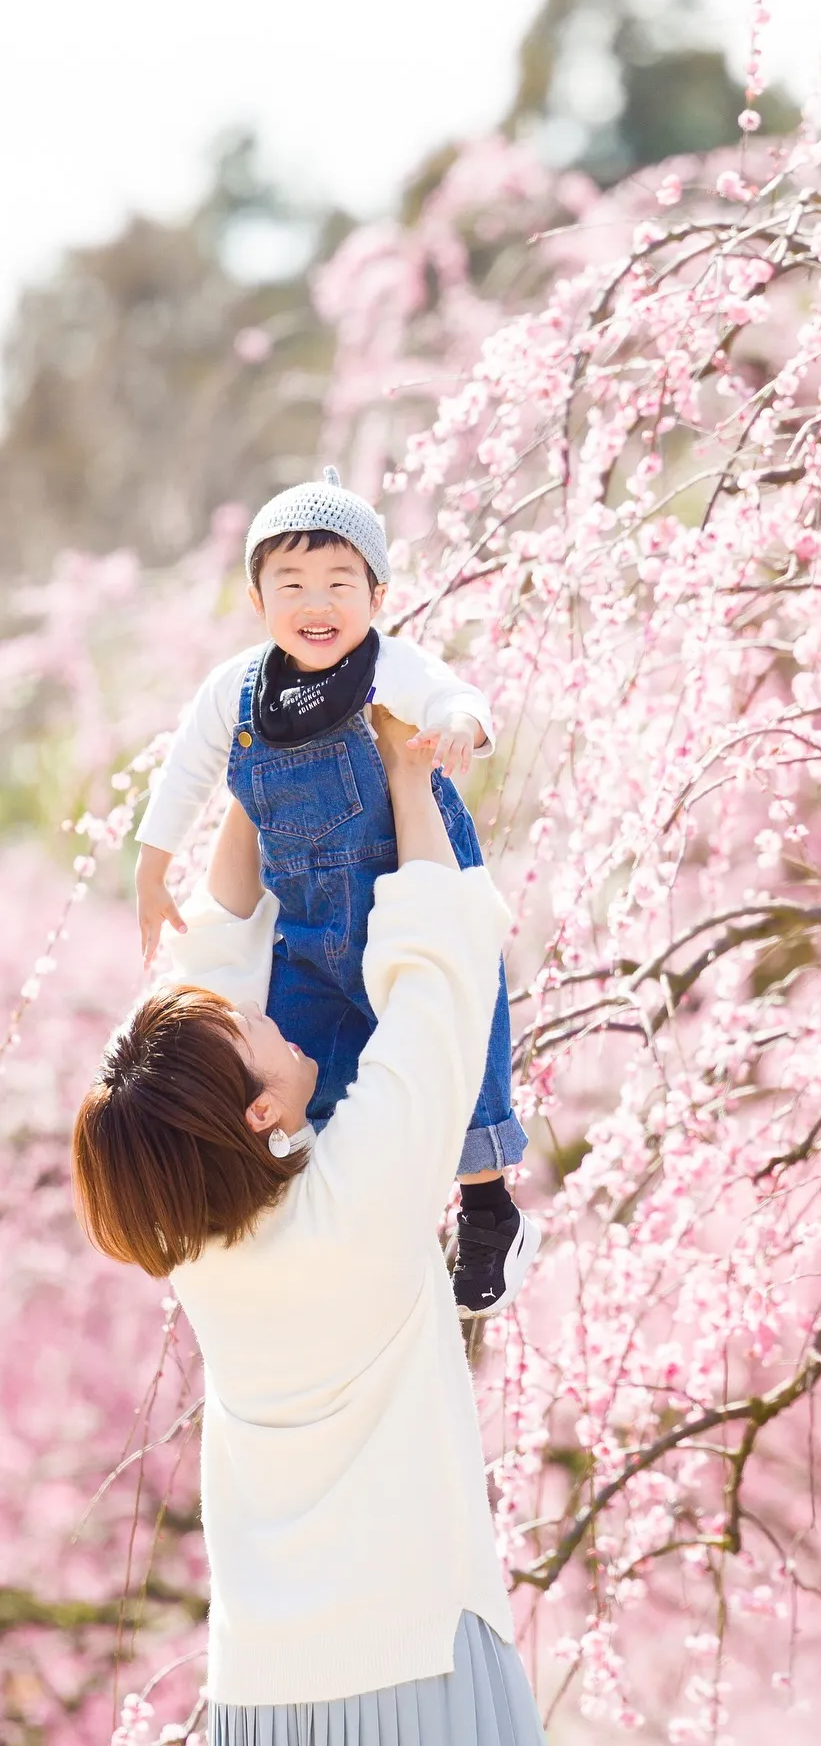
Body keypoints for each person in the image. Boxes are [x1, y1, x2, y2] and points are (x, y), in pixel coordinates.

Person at [72, 709, 547, 1745]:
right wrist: (413, 784)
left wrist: (257, 782)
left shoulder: (195, 1241)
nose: (270, 1015)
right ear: (259, 1112)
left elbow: (193, 1003)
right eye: (256, 1029)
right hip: (416, 1662)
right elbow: (437, 985)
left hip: (265, 1683)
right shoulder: (356, 1201)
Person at [132, 467, 537, 1316]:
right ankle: (332, 1208)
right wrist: (152, 860)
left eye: (339, 584)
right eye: (291, 584)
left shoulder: (387, 669)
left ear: (378, 595)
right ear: (257, 599)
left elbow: (455, 694)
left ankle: (489, 1202)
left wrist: (461, 724)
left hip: (405, 890)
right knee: (298, 1068)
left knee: (463, 1035)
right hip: (310, 928)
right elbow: (188, 769)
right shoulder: (239, 692)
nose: (317, 604)